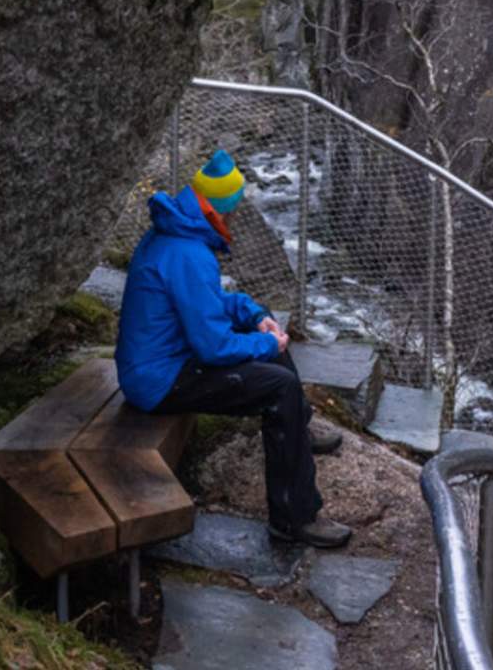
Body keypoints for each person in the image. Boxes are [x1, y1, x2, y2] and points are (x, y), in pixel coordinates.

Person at [115, 149, 352, 549]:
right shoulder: (188, 253)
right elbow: (212, 347)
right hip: (157, 380)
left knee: (268, 346)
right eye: (235, 211)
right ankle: (294, 519)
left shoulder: (178, 234)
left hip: (161, 360)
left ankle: (299, 426)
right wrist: (265, 341)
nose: (236, 219)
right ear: (219, 210)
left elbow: (202, 305)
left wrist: (253, 313)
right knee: (278, 385)